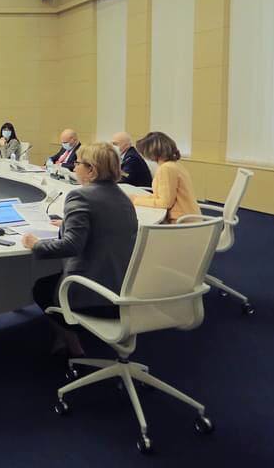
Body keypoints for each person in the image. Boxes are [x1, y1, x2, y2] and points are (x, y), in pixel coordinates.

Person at [23, 142, 139, 358]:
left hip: (90, 293)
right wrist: (69, 223)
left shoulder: (80, 196)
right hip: (122, 288)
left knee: (41, 288)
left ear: (91, 169)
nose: (74, 167)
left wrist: (35, 244)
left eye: (77, 163)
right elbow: (105, 223)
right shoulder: (123, 198)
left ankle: (74, 347)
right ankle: (63, 339)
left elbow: (71, 246)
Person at [131, 131, 200, 223]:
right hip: (189, 217)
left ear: (152, 152)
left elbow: (165, 203)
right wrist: (138, 198)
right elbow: (162, 196)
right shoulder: (174, 165)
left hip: (181, 222)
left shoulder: (166, 168)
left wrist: (135, 200)